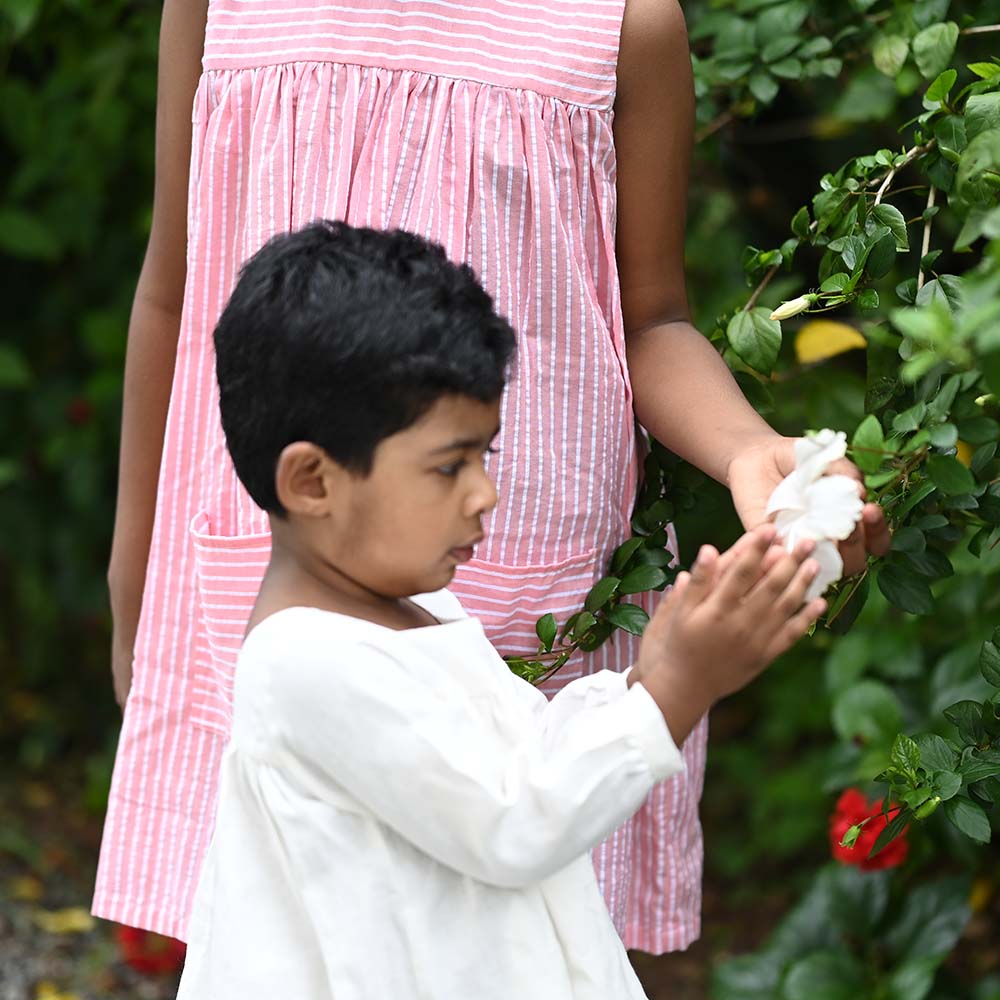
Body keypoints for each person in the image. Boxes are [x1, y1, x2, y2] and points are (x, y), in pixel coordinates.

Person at [96, 0, 891, 952]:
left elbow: (650, 318)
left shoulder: (627, 24)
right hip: (272, 564)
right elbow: (174, 288)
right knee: (293, 940)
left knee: (516, 937)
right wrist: (134, 570)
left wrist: (747, 450)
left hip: (533, 585)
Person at [174, 220, 828, 999]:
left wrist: (651, 672)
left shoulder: (414, 605)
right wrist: (675, 690)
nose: (484, 493)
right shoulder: (305, 663)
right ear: (312, 481)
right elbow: (514, 822)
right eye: (450, 466)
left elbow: (521, 749)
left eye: (484, 455)